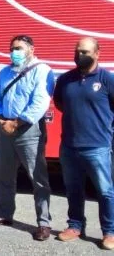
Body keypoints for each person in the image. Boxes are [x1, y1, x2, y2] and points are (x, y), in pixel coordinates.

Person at [0, 35, 55, 242]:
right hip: (4, 129)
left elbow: (40, 102)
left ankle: (43, 223)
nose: (14, 52)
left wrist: (16, 122)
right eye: (12, 48)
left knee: (38, 179)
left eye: (19, 48)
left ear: (31, 50)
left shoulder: (43, 70)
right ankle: (4, 214)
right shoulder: (6, 72)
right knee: (5, 175)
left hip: (29, 131)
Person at [53, 37, 114, 250]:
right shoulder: (65, 80)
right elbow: (61, 103)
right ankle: (75, 226)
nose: (80, 55)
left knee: (105, 191)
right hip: (69, 145)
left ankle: (109, 232)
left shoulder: (107, 79)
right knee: (73, 188)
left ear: (97, 53)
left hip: (97, 146)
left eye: (85, 52)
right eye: (78, 51)